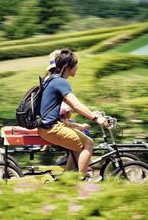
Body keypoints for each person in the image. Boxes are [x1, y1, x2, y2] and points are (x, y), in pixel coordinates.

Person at [38, 48, 109, 181]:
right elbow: (75, 104)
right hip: (52, 128)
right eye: (75, 64)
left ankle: (69, 178)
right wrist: (96, 118)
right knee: (88, 143)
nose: (77, 67)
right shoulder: (60, 81)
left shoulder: (51, 80)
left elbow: (72, 105)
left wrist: (91, 113)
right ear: (68, 67)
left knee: (78, 143)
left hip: (46, 127)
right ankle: (83, 179)